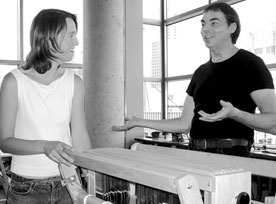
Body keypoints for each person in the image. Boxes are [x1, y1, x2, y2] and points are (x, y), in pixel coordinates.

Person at [112, 2, 276, 157]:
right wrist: (139, 122)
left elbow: (273, 122)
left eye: (214, 23)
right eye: (203, 24)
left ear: (232, 28)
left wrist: (235, 114)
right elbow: (184, 124)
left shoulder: (251, 64)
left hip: (230, 155)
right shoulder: (201, 72)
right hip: (194, 153)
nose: (205, 29)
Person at [0, 9, 91, 204]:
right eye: (71, 35)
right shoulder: (13, 82)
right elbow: (5, 141)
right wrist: (45, 146)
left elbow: (80, 135)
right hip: (25, 189)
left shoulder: (74, 82)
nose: (76, 42)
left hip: (69, 183)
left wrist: (90, 174)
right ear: (49, 38)